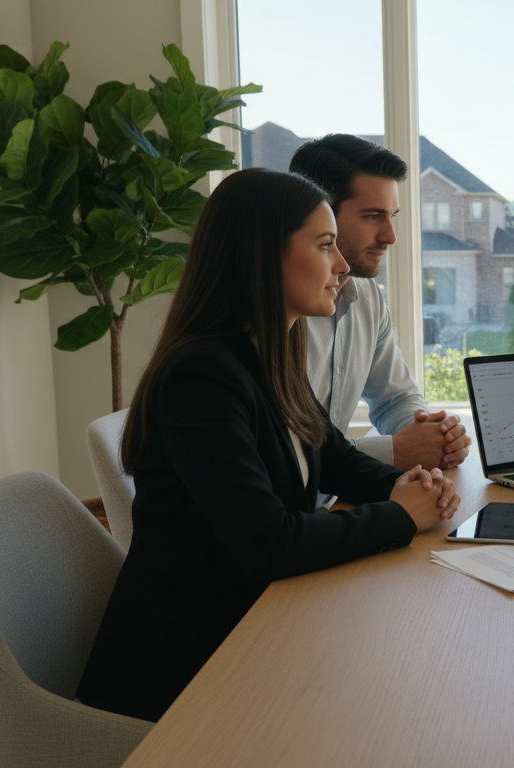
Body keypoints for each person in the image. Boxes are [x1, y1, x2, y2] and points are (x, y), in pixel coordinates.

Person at [76, 169, 461, 722]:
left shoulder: (270, 352)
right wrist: (401, 514)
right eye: (326, 246)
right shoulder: (200, 377)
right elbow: (269, 542)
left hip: (256, 623)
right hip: (185, 673)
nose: (343, 266)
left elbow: (336, 461)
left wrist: (417, 487)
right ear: (263, 255)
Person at [288, 134, 471, 474]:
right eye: (373, 216)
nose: (391, 236)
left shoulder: (367, 295)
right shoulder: (279, 309)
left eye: (392, 216)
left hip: (341, 499)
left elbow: (395, 398)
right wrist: (395, 451)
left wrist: (434, 434)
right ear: (319, 213)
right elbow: (283, 453)